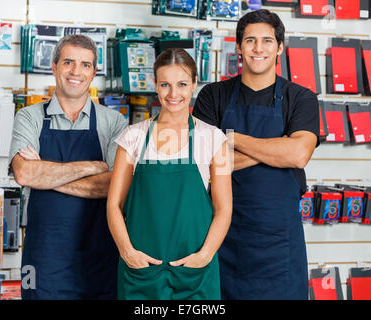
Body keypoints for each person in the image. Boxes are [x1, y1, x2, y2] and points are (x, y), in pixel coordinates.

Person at [193, 9, 319, 300]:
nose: (258, 48)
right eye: (250, 40)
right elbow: (204, 163)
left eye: (267, 41)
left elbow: (299, 154)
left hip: (279, 248)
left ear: (280, 47)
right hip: (221, 238)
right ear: (238, 46)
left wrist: (232, 139)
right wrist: (276, 147)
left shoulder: (301, 98)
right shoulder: (213, 96)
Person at [107, 48, 232, 300]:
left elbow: (224, 209)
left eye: (182, 84)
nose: (173, 94)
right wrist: (127, 252)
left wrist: (205, 255)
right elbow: (113, 205)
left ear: (195, 84)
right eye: (165, 84)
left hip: (194, 274)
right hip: (142, 272)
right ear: (155, 84)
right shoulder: (133, 137)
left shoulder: (213, 139)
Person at [9, 34, 127, 299]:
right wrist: (92, 167)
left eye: (85, 65)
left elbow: (111, 185)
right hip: (43, 260)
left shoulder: (114, 122)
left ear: (94, 72)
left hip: (99, 257)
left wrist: (47, 176)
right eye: (68, 62)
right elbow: (24, 172)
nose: (76, 72)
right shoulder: (29, 117)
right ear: (54, 66)